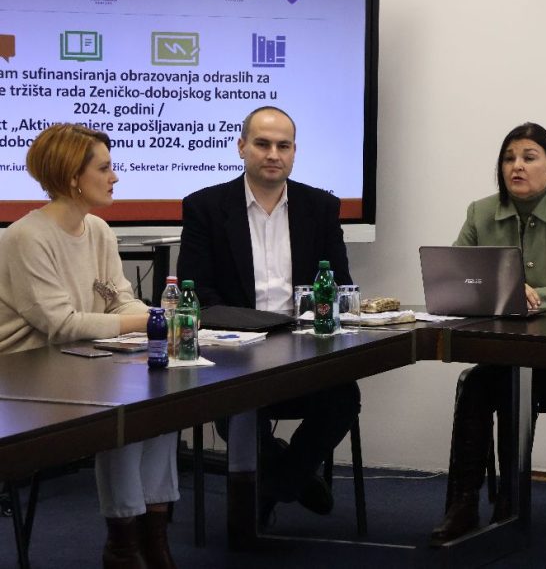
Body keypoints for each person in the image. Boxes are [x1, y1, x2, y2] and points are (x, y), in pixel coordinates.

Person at [177, 106, 360, 542]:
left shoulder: (320, 207)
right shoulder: (205, 207)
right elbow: (198, 292)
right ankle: (291, 479)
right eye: (262, 144)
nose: (273, 154)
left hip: (305, 350)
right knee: (234, 409)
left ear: (295, 152)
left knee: (343, 397)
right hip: (237, 351)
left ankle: (276, 484)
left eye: (283, 145)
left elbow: (339, 285)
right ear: (241, 147)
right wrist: (249, 332)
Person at [0, 124, 179, 569]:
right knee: (124, 409)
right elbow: (60, 324)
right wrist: (153, 320)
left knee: (165, 402)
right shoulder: (26, 236)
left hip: (84, 358)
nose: (115, 177)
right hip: (26, 374)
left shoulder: (97, 229)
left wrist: (154, 319)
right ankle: (123, 543)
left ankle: (153, 535)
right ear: (72, 177)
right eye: (104, 168)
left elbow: (121, 298)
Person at [429, 121, 546, 545]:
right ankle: (463, 505)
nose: (517, 166)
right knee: (476, 384)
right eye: (509, 158)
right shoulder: (480, 212)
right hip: (505, 356)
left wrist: (535, 297)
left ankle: (510, 503)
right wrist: (498, 292)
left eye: (529, 157)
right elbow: (453, 279)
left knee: (512, 385)